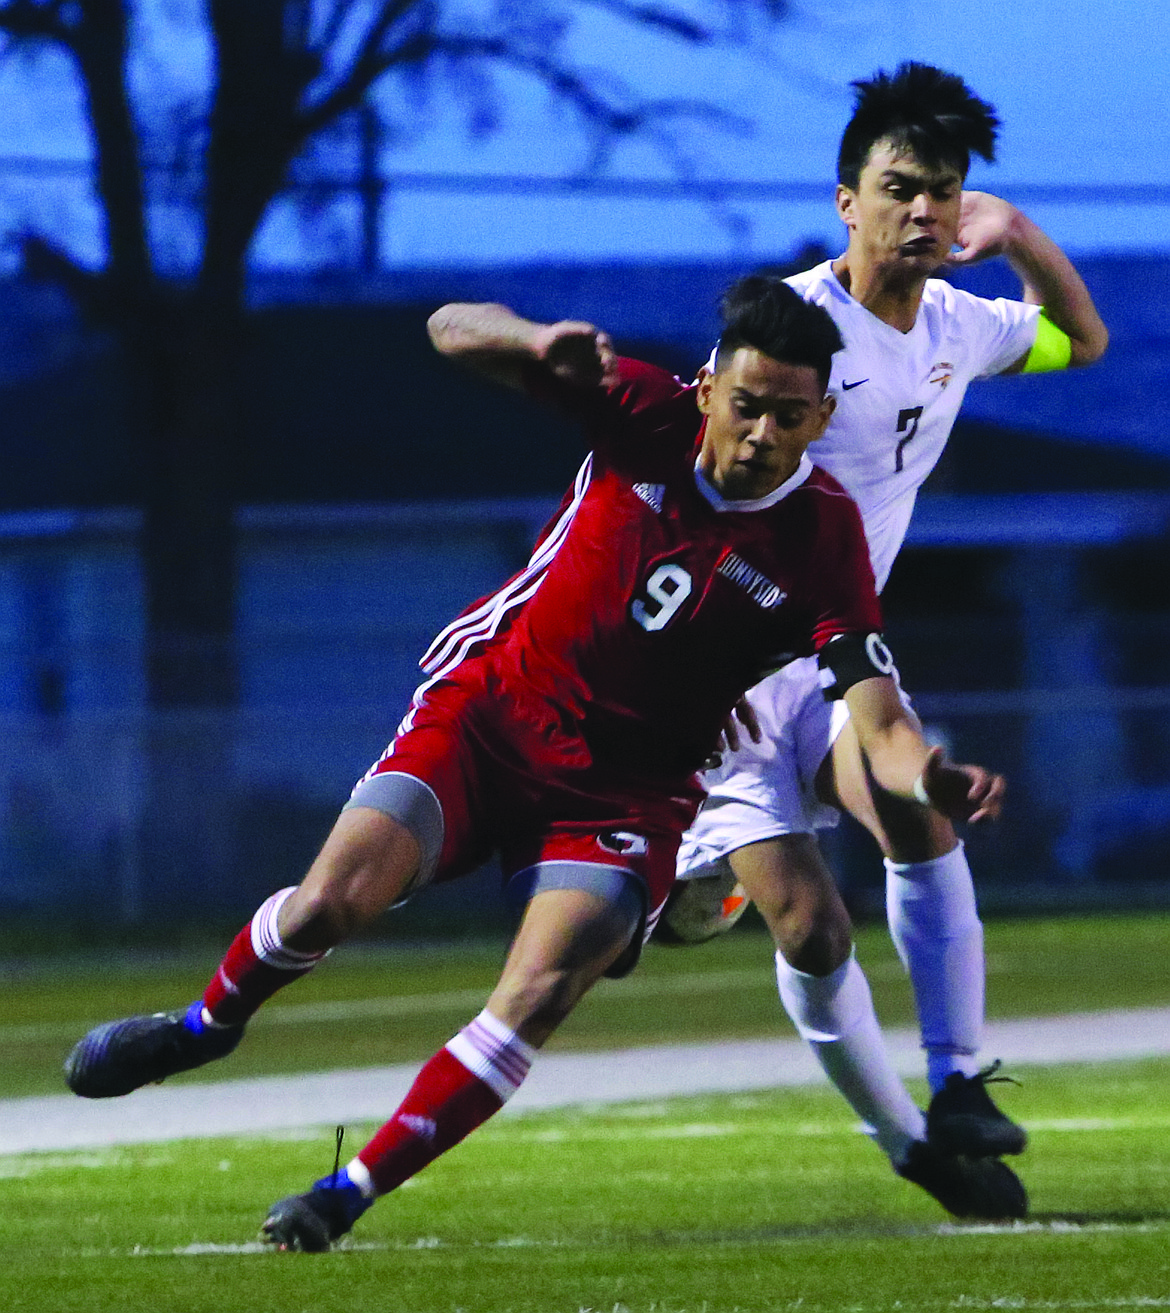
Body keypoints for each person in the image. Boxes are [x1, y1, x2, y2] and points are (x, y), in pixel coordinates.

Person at [64, 275, 1012, 1252]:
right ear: (707, 390)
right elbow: (444, 327)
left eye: (786, 414)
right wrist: (532, 337)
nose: (761, 433)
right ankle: (206, 1025)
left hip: (628, 793)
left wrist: (928, 774)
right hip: (489, 721)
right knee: (324, 906)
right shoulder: (639, 406)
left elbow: (879, 714)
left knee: (537, 989)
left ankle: (343, 1192)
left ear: (822, 416)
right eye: (746, 405)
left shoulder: (823, 539)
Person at [666, 60, 1108, 1199]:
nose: (925, 210)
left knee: (919, 813)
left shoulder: (961, 321)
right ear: (845, 200)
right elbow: (684, 476)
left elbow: (1082, 339)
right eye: (900, 187)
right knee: (811, 928)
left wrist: (1019, 232)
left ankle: (960, 1083)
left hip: (838, 654)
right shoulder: (789, 333)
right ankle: (909, 1144)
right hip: (724, 667)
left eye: (945, 192)